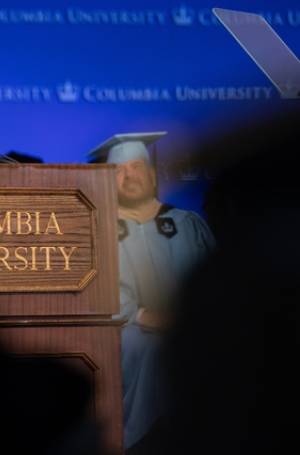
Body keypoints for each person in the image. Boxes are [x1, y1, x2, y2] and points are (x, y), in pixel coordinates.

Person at [86, 132, 216, 452]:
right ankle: (141, 440)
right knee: (147, 345)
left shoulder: (187, 223)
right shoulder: (98, 230)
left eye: (136, 167)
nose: (129, 176)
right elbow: (98, 291)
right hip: (127, 328)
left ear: (152, 174)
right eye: (119, 171)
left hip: (192, 325)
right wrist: (145, 315)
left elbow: (214, 282)